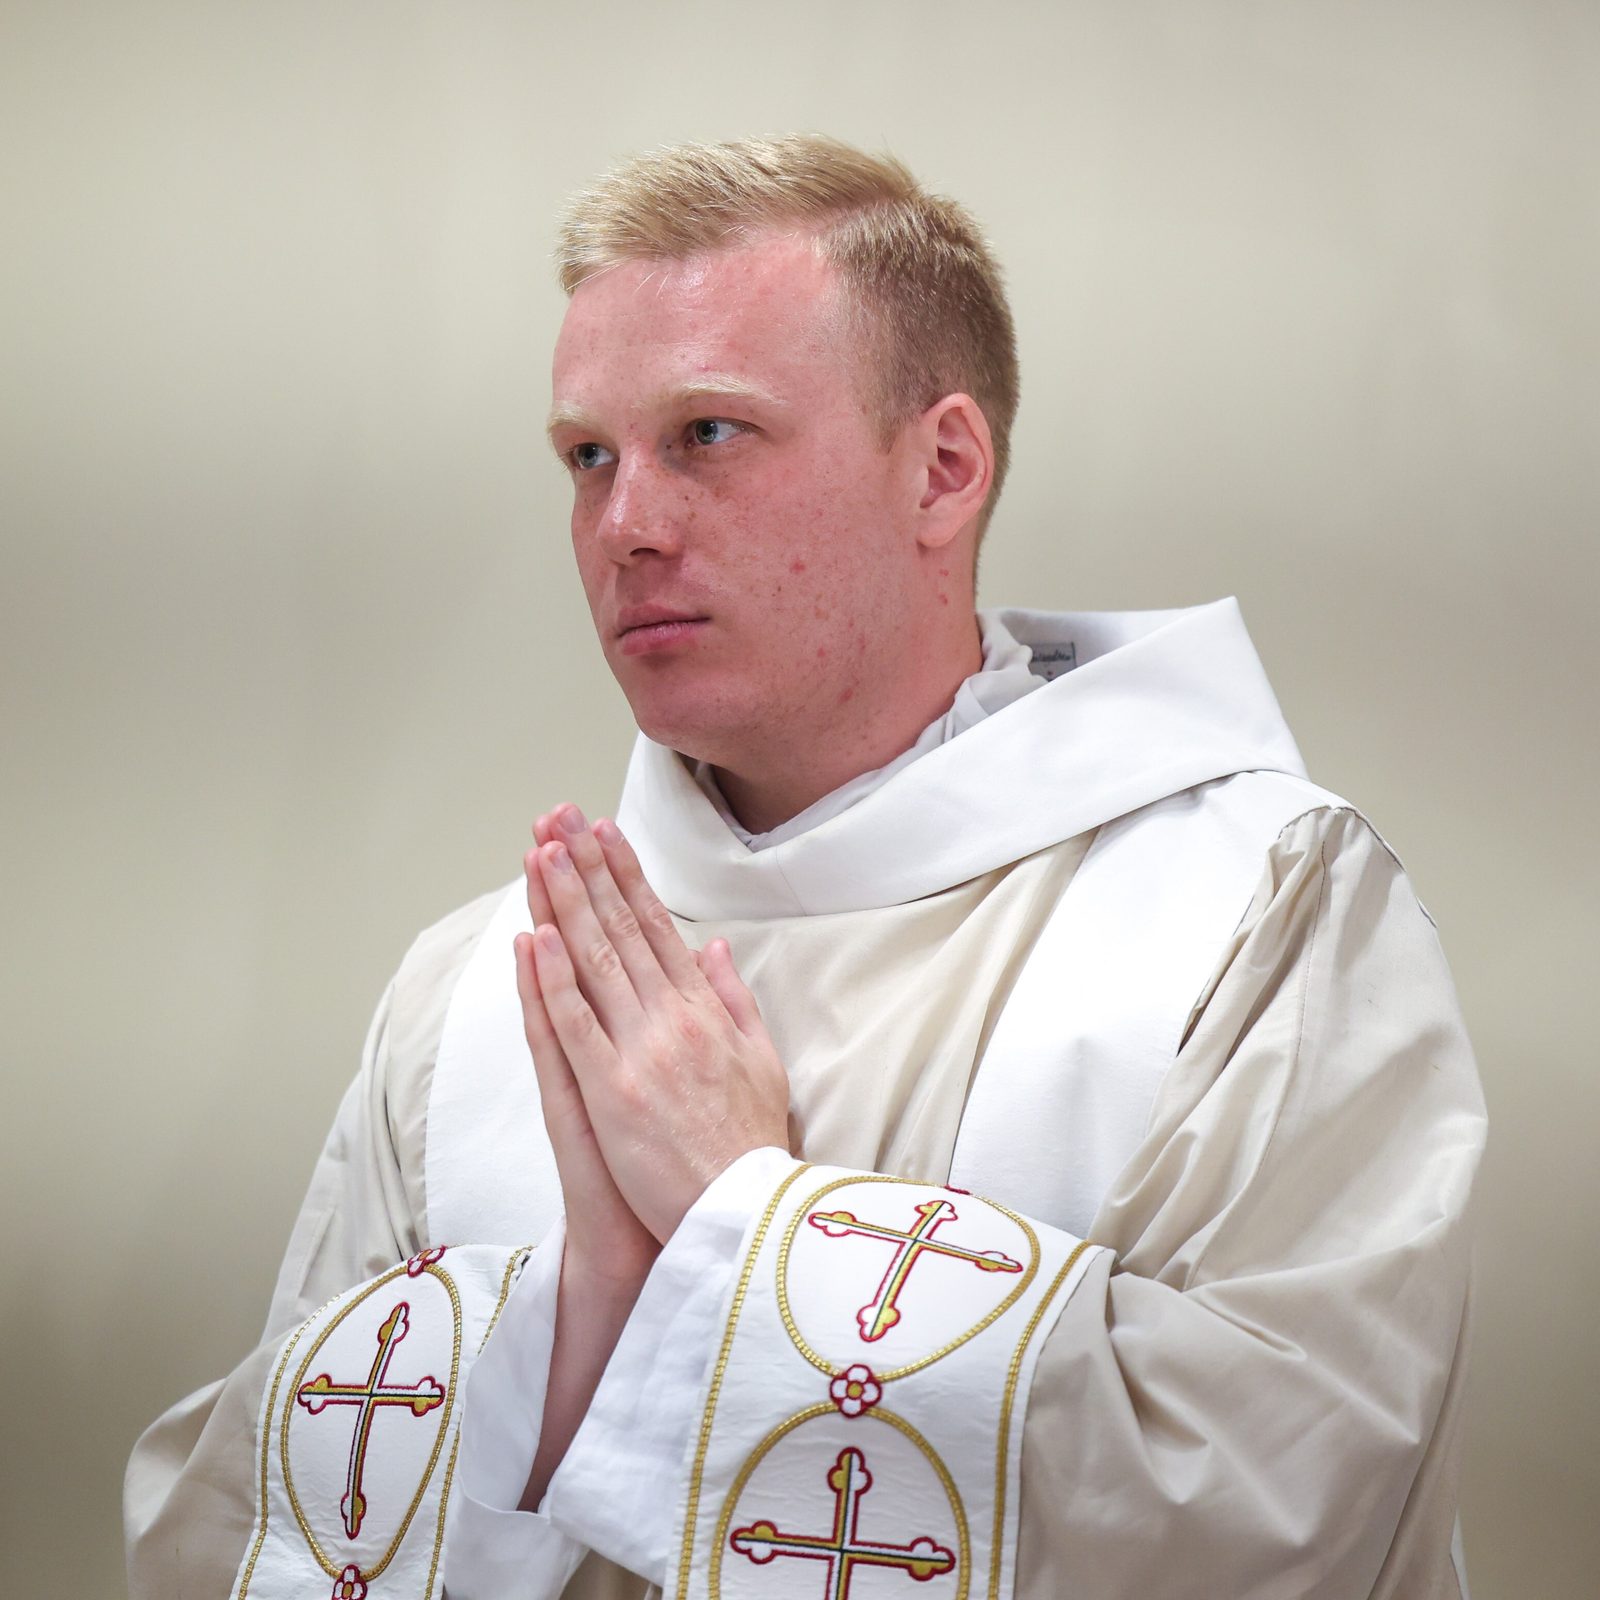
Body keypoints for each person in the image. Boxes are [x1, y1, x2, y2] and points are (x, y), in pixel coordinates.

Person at [125, 135, 1486, 1600]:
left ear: (943, 470)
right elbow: (242, 1537)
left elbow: (1284, 1498)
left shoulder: (1258, 912)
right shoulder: (475, 994)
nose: (624, 527)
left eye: (709, 434)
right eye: (589, 457)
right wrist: (580, 1320)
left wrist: (739, 1226)